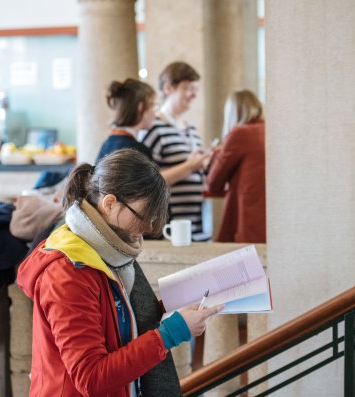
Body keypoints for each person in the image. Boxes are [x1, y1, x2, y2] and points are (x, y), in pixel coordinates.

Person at [16, 149, 222, 397]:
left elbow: (114, 322)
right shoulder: (68, 272)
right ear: (110, 203)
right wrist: (171, 333)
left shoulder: (108, 248)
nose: (146, 228)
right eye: (142, 216)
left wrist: (164, 308)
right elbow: (91, 378)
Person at [139, 62, 211, 242]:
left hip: (198, 225)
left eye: (195, 88)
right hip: (171, 228)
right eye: (187, 88)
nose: (193, 94)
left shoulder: (191, 129)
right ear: (168, 88)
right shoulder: (153, 127)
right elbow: (146, 181)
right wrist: (189, 166)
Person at [96, 78, 207, 188]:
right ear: (140, 107)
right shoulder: (135, 150)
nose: (155, 112)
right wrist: (189, 166)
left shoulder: (108, 143)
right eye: (153, 105)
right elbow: (150, 191)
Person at [205, 89, 266, 243]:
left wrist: (214, 157)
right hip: (270, 218)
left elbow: (214, 181)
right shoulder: (268, 130)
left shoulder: (240, 133)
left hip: (248, 218)